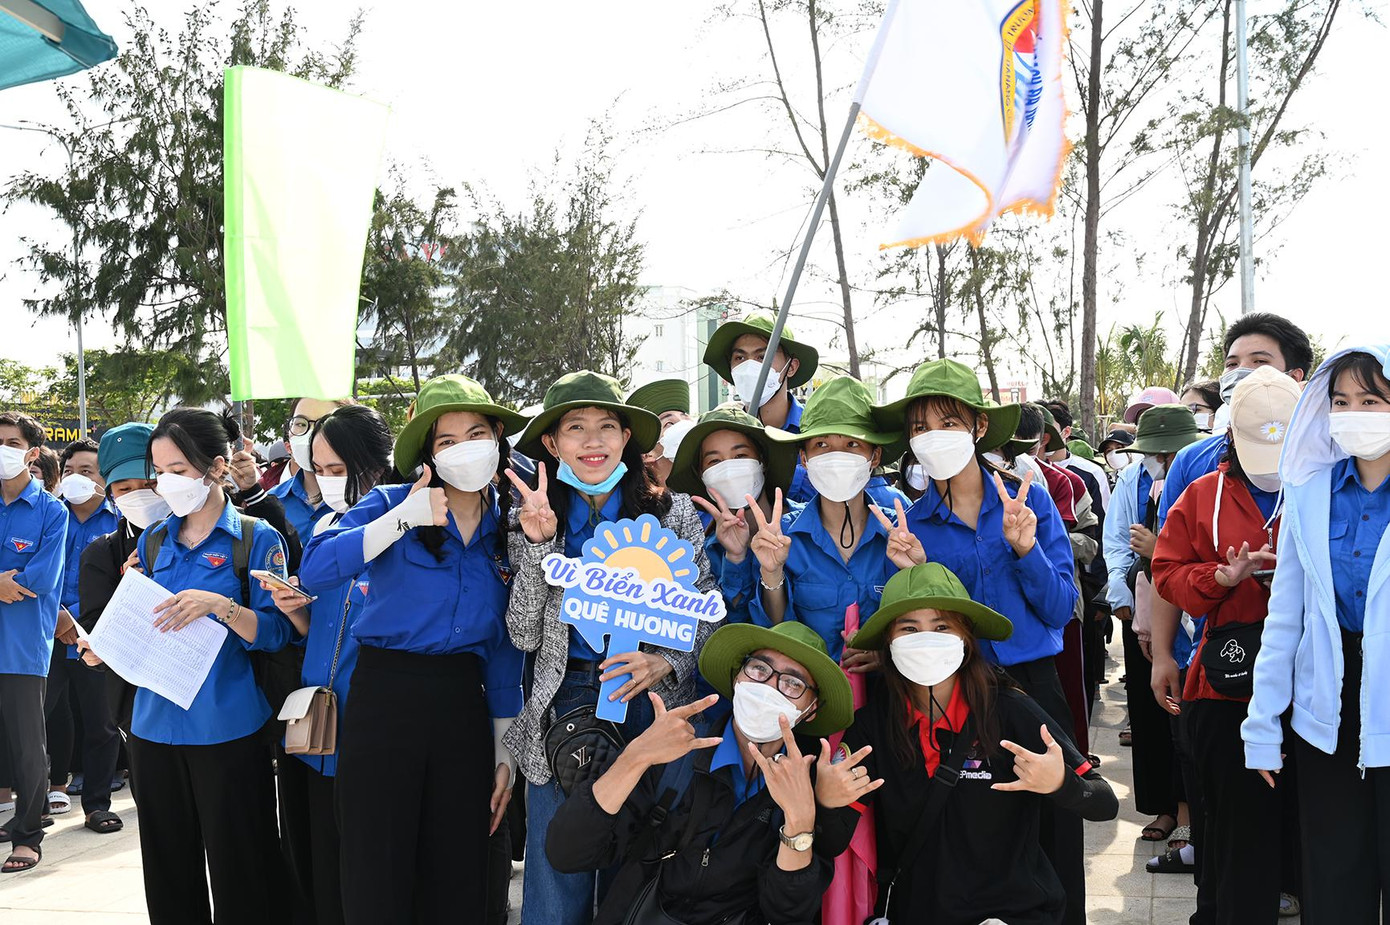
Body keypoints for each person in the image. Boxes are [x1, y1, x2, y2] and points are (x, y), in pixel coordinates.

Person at [297, 376, 524, 922]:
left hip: (462, 706)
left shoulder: (511, 525)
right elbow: (317, 567)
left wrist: (503, 750)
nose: (464, 448)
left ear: (497, 440)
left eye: (476, 433)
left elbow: (503, 650)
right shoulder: (391, 502)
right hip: (384, 698)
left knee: (458, 868)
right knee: (378, 865)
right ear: (427, 454)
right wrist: (401, 520)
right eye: (446, 441)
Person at [500, 370, 719, 925]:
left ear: (627, 438)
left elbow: (707, 613)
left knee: (637, 871)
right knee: (559, 871)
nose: (592, 442)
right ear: (552, 444)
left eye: (606, 427)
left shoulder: (674, 513)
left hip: (653, 704)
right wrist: (537, 545)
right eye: (575, 428)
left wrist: (665, 658)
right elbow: (523, 631)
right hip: (564, 710)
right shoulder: (535, 515)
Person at [873, 357, 1087, 924]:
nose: (932, 437)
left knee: (1057, 828)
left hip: (1033, 689)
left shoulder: (1028, 499)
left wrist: (1025, 549)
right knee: (981, 830)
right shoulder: (913, 524)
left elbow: (1061, 606)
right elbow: (928, 624)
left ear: (979, 427)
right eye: (919, 428)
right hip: (958, 693)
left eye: (948, 421)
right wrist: (914, 571)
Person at [77, 408, 293, 919]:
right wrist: (104, 644)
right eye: (160, 471)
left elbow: (280, 632)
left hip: (228, 727)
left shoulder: (255, 539)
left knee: (243, 868)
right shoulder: (152, 541)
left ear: (217, 467)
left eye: (178, 469)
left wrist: (221, 607)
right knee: (168, 869)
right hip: (153, 727)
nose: (165, 483)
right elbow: (140, 623)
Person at [842, 563, 1117, 924]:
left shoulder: (1010, 709)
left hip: (1011, 913)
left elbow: (1104, 801)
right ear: (888, 644)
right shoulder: (872, 727)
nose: (926, 639)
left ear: (965, 638)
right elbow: (833, 841)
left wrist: (1061, 783)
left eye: (941, 627)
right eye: (909, 628)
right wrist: (828, 802)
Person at [545, 620, 859, 925]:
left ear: (811, 709)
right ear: (737, 678)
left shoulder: (810, 783)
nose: (769, 687)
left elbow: (787, 913)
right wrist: (635, 757)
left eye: (792, 683)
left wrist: (799, 823)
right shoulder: (673, 752)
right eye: (759, 669)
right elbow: (567, 853)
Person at [1243, 346, 1390, 922]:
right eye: (1341, 402)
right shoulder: (1310, 490)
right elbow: (1286, 620)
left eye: (1372, 401)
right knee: (1333, 880)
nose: (1354, 413)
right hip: (1326, 709)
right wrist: (1262, 723)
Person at [1150, 367, 1298, 924]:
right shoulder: (1202, 493)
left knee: (1301, 827)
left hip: (1310, 688)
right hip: (1224, 684)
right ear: (1230, 434)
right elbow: (1167, 573)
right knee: (1233, 834)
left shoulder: (1321, 486)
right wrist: (1222, 578)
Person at [262, 404, 393, 925]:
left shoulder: (403, 532)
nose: (328, 482)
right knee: (317, 859)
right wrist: (295, 611)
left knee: (364, 869)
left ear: (376, 467)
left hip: (373, 725)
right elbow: (318, 629)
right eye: (320, 471)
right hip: (314, 725)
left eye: (340, 471)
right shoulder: (323, 528)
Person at [1100, 405, 1202, 851]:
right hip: (1144, 607)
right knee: (1150, 712)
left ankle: (1191, 809)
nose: (1159, 461)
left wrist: (1161, 548)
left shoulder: (1204, 478)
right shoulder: (1132, 481)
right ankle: (1163, 803)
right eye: (1153, 453)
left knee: (1188, 716)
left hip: (1193, 613)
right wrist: (1123, 601)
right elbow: (1118, 538)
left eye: (1168, 452)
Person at [749, 376, 903, 665]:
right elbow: (775, 630)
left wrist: (888, 655)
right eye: (821, 444)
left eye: (852, 444)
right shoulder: (781, 535)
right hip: (811, 698)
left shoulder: (899, 535)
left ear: (874, 455)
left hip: (889, 697)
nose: (836, 457)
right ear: (804, 459)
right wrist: (772, 574)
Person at [0, 411, 67, 873]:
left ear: (32, 451)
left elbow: (41, 578)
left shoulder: (51, 511)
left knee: (28, 745)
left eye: (10, 441)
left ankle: (28, 835)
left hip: (23, 645)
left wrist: (13, 582)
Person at [43, 438, 121, 832]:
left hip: (97, 636)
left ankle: (96, 804)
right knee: (35, 718)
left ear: (104, 479)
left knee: (101, 724)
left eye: (87, 472)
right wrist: (56, 616)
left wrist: (78, 622)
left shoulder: (121, 522)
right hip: (46, 633)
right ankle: (34, 806)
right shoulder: (51, 516)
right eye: (69, 471)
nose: (76, 479)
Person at [666, 403, 799, 628]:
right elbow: (727, 624)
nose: (728, 469)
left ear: (762, 462)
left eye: (740, 455)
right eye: (714, 461)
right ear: (703, 475)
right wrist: (735, 557)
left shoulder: (805, 528)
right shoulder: (702, 553)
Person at [703, 311, 819, 502]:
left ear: (791, 367)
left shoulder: (815, 432)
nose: (749, 367)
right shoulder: (718, 437)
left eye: (762, 357)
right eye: (740, 358)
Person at [271, 397, 353, 539]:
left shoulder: (369, 500)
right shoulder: (272, 502)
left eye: (324, 423)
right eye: (301, 424)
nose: (311, 434)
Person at [625, 378, 696, 491]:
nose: (683, 424)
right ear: (646, 454)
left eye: (685, 417)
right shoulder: (638, 503)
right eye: (669, 424)